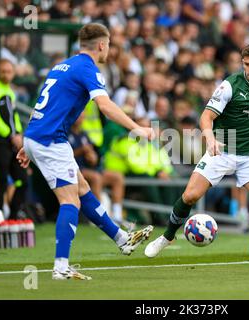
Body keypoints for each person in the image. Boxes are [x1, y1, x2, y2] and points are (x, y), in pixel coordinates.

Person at [144, 43, 249, 274]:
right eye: (246, 64)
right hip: (222, 149)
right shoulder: (230, 85)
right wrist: (209, 138)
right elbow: (206, 116)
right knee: (190, 195)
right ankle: (167, 237)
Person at [16, 23, 155, 280]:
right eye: (109, 44)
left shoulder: (61, 66)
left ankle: (122, 239)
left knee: (82, 188)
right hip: (51, 141)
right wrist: (137, 127)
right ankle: (60, 266)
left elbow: (43, 106)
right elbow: (106, 106)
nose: (109, 49)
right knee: (70, 201)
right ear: (102, 45)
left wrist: (27, 144)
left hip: (38, 136)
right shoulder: (87, 68)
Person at [0, 59, 28, 219]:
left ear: (13, 73)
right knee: (0, 177)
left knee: (22, 179)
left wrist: (19, 135)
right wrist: (11, 135)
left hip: (14, 142)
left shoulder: (10, 92)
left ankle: (14, 214)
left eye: (9, 71)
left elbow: (14, 117)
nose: (6, 74)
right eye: (3, 71)